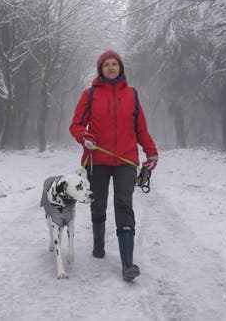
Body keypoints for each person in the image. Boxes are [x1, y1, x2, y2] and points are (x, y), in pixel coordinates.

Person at [69, 49, 158, 281]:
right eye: (106, 64)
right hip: (96, 160)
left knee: (123, 204)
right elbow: (76, 125)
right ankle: (98, 247)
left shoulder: (132, 95)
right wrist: (84, 137)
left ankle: (128, 264)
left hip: (126, 161)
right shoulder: (89, 95)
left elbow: (141, 129)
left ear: (120, 68)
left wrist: (151, 152)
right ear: (100, 69)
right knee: (97, 204)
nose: (111, 67)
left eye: (114, 64)